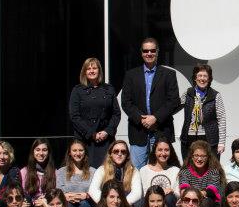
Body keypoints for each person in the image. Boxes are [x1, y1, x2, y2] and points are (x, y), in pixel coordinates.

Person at [121, 36, 180, 169]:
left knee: (162, 168)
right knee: (137, 170)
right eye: (146, 51)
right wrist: (142, 119)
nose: (149, 53)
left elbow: (173, 101)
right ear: (141, 53)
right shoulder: (131, 75)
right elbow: (126, 102)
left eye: (152, 50)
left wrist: (155, 118)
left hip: (161, 128)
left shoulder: (168, 74)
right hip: (138, 130)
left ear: (157, 52)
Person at [69, 57, 120, 167]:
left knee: (107, 172)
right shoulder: (77, 90)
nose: (92, 71)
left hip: (105, 140)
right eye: (88, 69)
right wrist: (91, 133)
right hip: (85, 140)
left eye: (94, 68)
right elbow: (74, 116)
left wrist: (107, 131)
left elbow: (116, 114)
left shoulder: (109, 89)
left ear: (99, 70)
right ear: (84, 72)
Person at [179, 62, 227, 160]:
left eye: (205, 76)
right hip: (189, 138)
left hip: (209, 138)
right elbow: (175, 106)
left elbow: (221, 119)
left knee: (210, 169)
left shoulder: (215, 95)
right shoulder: (188, 93)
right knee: (189, 168)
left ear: (209, 79)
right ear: (195, 78)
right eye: (199, 75)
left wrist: (221, 143)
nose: (202, 78)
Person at [177, 139, 226, 207]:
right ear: (192, 157)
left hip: (210, 204)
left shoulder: (213, 171)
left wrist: (197, 195)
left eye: (203, 156)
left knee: (206, 202)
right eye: (196, 155)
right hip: (190, 201)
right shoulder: (185, 172)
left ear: (208, 157)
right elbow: (184, 189)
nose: (199, 159)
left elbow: (211, 190)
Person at [88, 139, 144, 207]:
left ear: (127, 155)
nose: (119, 154)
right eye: (116, 151)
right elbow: (93, 190)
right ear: (111, 154)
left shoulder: (134, 171)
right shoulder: (102, 169)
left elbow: (137, 193)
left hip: (126, 206)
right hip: (106, 206)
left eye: (123, 151)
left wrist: (121, 205)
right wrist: (107, 204)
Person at [56, 140, 96, 207]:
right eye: (74, 150)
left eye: (81, 150)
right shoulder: (61, 171)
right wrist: (65, 196)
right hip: (67, 206)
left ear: (85, 152)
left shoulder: (93, 171)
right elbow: (57, 191)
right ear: (69, 153)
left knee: (83, 205)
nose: (78, 153)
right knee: (69, 204)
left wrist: (87, 195)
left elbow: (97, 191)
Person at [139, 136, 181, 207]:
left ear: (170, 152)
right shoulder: (144, 170)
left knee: (169, 198)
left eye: (166, 150)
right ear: (155, 151)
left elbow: (178, 194)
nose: (163, 153)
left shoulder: (176, 170)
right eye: (160, 150)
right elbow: (143, 193)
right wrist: (161, 192)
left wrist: (172, 192)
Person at [21, 138, 56, 207]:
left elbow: (57, 193)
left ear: (48, 152)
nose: (41, 153)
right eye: (38, 150)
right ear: (33, 152)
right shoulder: (24, 172)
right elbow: (22, 193)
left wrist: (45, 200)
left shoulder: (55, 172)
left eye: (44, 150)